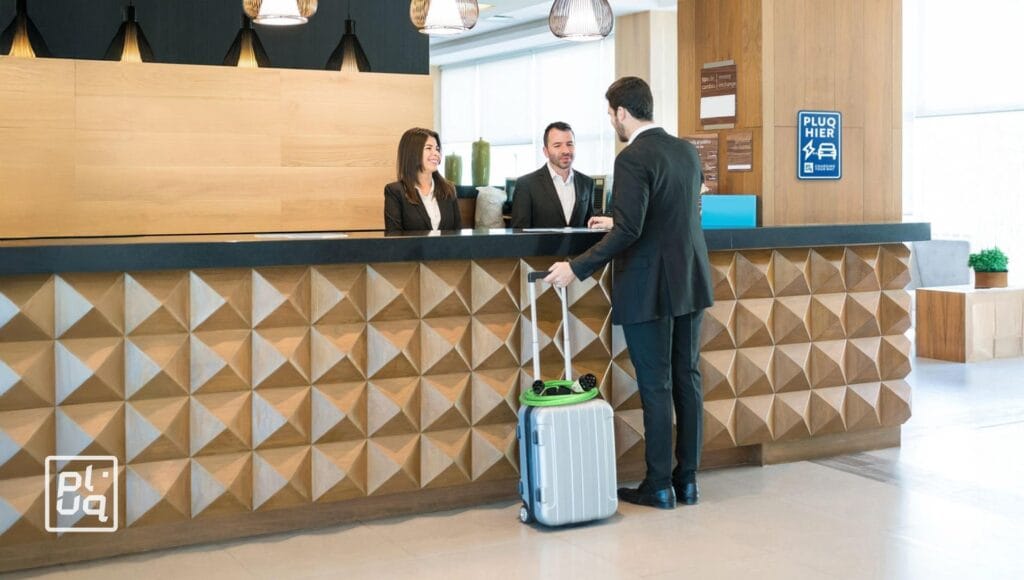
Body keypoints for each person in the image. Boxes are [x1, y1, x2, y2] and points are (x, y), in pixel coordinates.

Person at [544, 77, 714, 510]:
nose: (612, 121)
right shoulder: (686, 151)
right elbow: (672, 214)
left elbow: (634, 230)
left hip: (650, 287)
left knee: (656, 387)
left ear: (622, 112)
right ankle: (687, 481)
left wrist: (576, 267)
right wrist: (616, 223)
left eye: (610, 114)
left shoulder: (633, 157)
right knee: (687, 381)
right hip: (690, 281)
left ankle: (658, 485)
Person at [510, 122, 595, 228]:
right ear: (545, 151)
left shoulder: (587, 183)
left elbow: (589, 229)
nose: (566, 151)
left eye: (569, 144)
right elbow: (519, 233)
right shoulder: (526, 185)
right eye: (557, 145)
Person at [384, 128, 461, 232]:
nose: (436, 153)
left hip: (446, 249)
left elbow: (458, 235)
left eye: (437, 149)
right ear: (412, 153)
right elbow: (394, 238)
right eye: (429, 148)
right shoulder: (395, 192)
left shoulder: (449, 189)